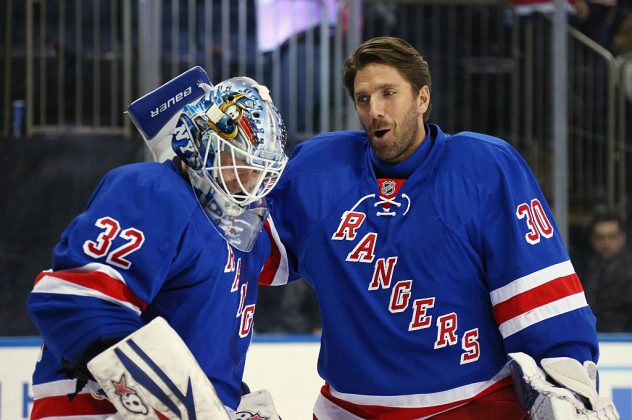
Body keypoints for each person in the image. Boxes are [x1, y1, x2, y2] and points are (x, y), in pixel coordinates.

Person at [260, 36, 618, 418]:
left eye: (388, 93)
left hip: (472, 404)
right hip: (349, 410)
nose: (375, 110)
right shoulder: (319, 170)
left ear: (422, 98)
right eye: (363, 99)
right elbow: (250, 256)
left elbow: (541, 298)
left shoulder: (483, 169)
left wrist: (569, 384)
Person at [26, 76, 288, 419]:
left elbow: (197, 353)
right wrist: (171, 400)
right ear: (201, 142)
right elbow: (77, 300)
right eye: (239, 162)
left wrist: (226, 403)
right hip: (96, 407)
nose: (250, 181)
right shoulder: (153, 190)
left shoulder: (241, 234)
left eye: (258, 170)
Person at [577, 210, 632, 332]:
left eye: (612, 237)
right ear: (592, 238)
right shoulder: (583, 269)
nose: (606, 243)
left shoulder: (629, 271)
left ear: (622, 237)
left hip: (623, 342)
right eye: (600, 237)